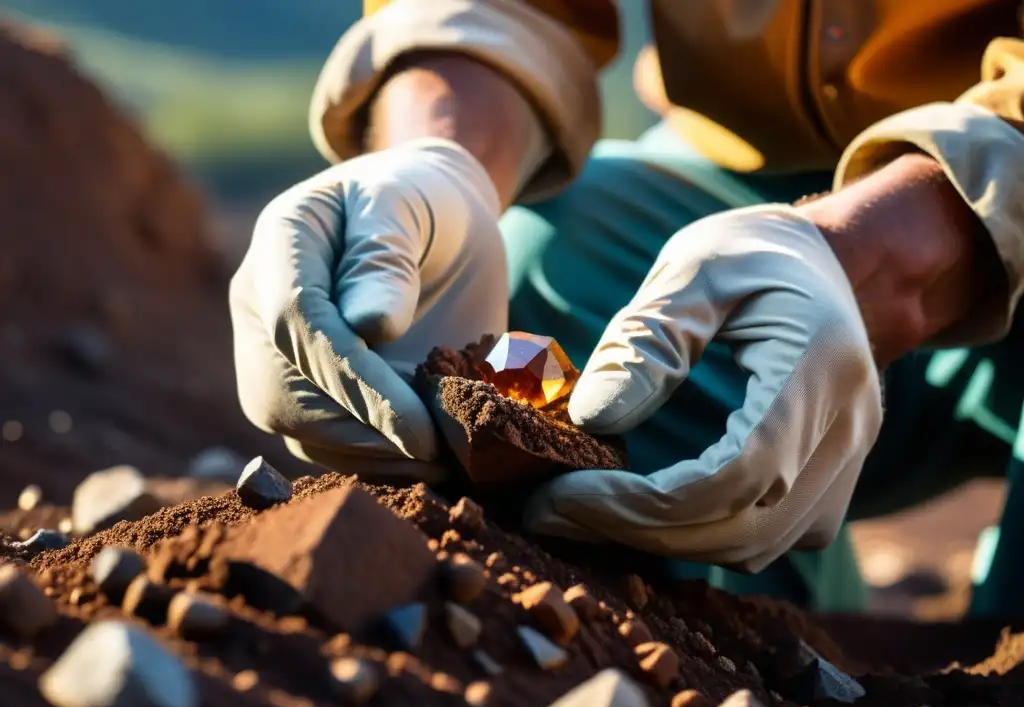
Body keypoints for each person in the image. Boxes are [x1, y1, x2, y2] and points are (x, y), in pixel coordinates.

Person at [229, 1, 1024, 614]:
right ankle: (779, 647)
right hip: (749, 169)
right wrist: (439, 162)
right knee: (546, 268)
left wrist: (877, 251)